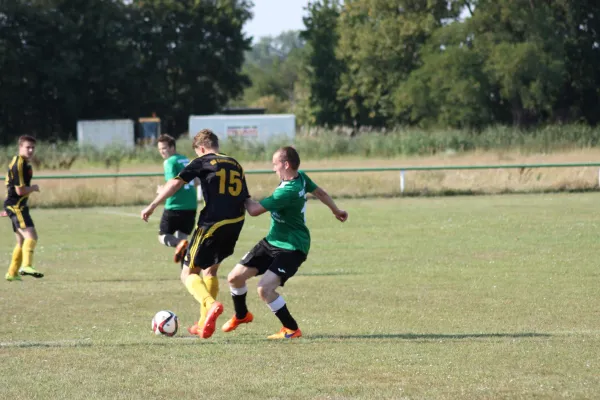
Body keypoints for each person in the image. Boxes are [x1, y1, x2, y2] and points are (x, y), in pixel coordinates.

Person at [221, 146, 348, 339]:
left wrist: (243, 194)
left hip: (293, 247)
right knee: (234, 278)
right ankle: (241, 315)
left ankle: (291, 328)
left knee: (265, 289)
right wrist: (336, 210)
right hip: (273, 241)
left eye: (275, 164)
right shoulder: (301, 177)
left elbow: (254, 210)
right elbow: (320, 193)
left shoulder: (288, 191)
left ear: (286, 164)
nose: (274, 169)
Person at [141, 129, 249, 339]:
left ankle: (210, 304)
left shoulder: (202, 160)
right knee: (210, 271)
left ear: (201, 148)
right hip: (236, 222)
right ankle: (202, 324)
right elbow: (245, 198)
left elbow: (175, 183)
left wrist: (153, 204)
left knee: (188, 273)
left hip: (212, 223)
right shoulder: (235, 163)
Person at [4, 135, 44, 281]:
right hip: (16, 206)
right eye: (28, 147)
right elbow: (20, 191)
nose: (31, 150)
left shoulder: (24, 163)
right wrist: (33, 188)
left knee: (21, 241)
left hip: (16, 206)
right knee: (31, 236)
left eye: (33, 147)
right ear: (20, 147)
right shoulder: (19, 164)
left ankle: (12, 273)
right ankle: (26, 266)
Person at [155, 134, 198, 263]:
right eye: (160, 149)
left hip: (175, 205)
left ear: (172, 147)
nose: (162, 151)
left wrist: (161, 191)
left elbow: (172, 184)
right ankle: (186, 274)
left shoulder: (169, 161)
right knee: (183, 241)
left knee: (162, 237)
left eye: (164, 148)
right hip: (191, 205)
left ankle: (185, 245)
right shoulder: (185, 159)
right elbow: (196, 181)